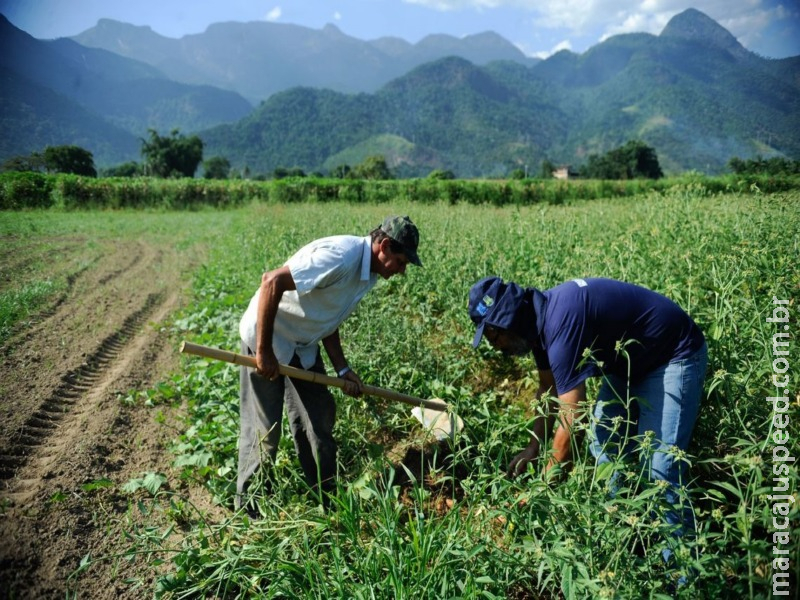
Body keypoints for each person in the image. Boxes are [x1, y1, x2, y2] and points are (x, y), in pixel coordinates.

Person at [468, 276, 707, 539]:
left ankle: (680, 570)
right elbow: (549, 390)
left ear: (508, 320)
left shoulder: (560, 323)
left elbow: (573, 417)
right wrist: (534, 447)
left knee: (661, 471)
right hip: (626, 364)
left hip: (672, 354)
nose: (495, 346)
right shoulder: (537, 325)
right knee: (604, 442)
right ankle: (625, 532)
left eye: (492, 335)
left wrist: (539, 491)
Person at [237, 215, 422, 511]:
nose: (401, 271)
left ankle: (325, 499)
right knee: (264, 431)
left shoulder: (367, 274)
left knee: (318, 420)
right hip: (268, 337)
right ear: (384, 246)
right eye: (401, 262)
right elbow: (271, 281)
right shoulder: (341, 257)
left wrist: (343, 369)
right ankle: (250, 508)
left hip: (303, 344)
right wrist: (263, 352)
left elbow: (329, 317)